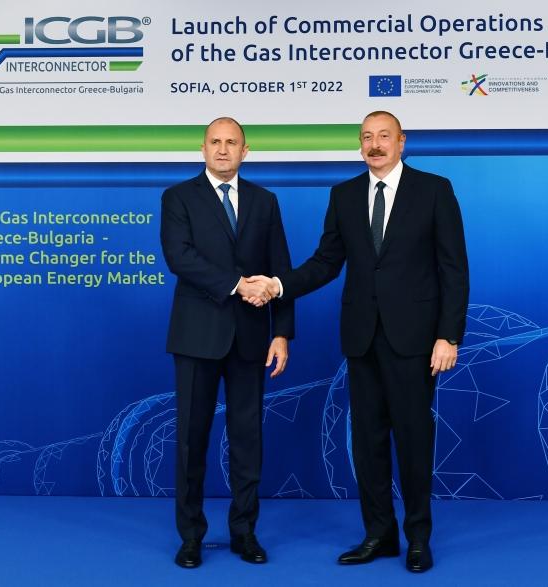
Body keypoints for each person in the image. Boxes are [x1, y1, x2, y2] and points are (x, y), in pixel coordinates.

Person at [246, 111, 468, 573]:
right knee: (367, 441)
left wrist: (448, 336)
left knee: (414, 440)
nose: (375, 144)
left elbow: (453, 268)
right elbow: (326, 262)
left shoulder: (435, 190)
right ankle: (379, 535)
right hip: (361, 338)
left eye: (384, 136)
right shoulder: (344, 195)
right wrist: (279, 285)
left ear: (401, 142)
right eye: (367, 137)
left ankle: (418, 539)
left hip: (415, 339)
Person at [160, 117, 294, 568]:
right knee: (190, 440)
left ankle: (244, 532)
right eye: (215, 142)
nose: (222, 149)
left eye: (231, 142)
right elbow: (180, 258)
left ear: (245, 150)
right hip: (196, 336)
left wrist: (281, 332)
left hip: (251, 337)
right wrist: (239, 285)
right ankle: (191, 536)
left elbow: (281, 268)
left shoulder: (265, 201)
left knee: (247, 439)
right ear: (202, 148)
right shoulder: (178, 197)